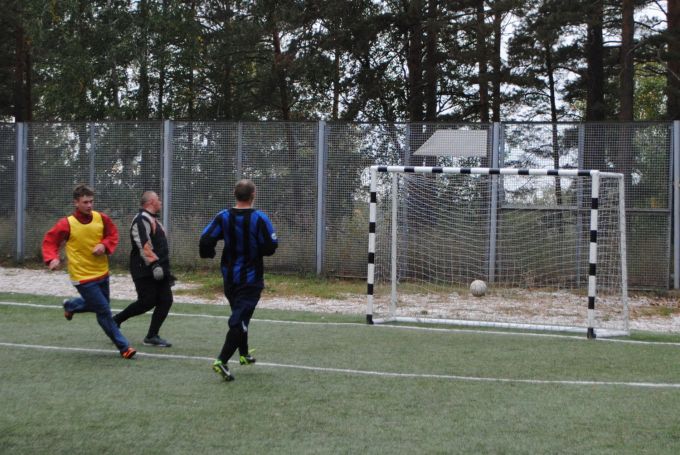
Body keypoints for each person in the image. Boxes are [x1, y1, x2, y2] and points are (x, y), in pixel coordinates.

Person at [42, 184, 136, 359]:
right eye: (85, 202)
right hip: (82, 276)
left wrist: (104, 245)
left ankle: (71, 305)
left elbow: (112, 234)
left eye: (91, 201)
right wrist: (51, 258)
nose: (89, 205)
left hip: (102, 272)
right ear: (76, 203)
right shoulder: (67, 223)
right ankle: (124, 347)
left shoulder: (101, 218)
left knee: (99, 305)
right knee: (104, 310)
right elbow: (50, 241)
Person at [199, 179, 278, 381]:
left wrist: (209, 253)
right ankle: (222, 360)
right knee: (239, 320)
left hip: (229, 278)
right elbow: (271, 246)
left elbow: (205, 238)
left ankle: (243, 354)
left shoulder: (223, 216)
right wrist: (257, 249)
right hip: (250, 279)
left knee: (241, 316)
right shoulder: (259, 218)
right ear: (253, 195)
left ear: (235, 195)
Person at [113, 191, 173, 347]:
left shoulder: (154, 220)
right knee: (147, 302)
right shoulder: (141, 219)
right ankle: (116, 320)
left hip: (159, 269)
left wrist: (165, 269)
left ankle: (152, 336)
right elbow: (144, 244)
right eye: (158, 199)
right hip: (145, 269)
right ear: (151, 202)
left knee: (166, 300)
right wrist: (154, 265)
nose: (161, 202)